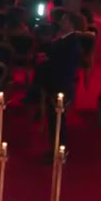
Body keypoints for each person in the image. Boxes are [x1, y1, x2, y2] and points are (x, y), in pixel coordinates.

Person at [32, 12, 82, 158]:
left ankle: (58, 151)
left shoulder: (70, 43)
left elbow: (62, 65)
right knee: (55, 120)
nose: (61, 22)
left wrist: (45, 62)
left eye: (64, 20)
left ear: (71, 24)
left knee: (58, 120)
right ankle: (56, 149)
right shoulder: (66, 40)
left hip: (60, 85)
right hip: (57, 83)